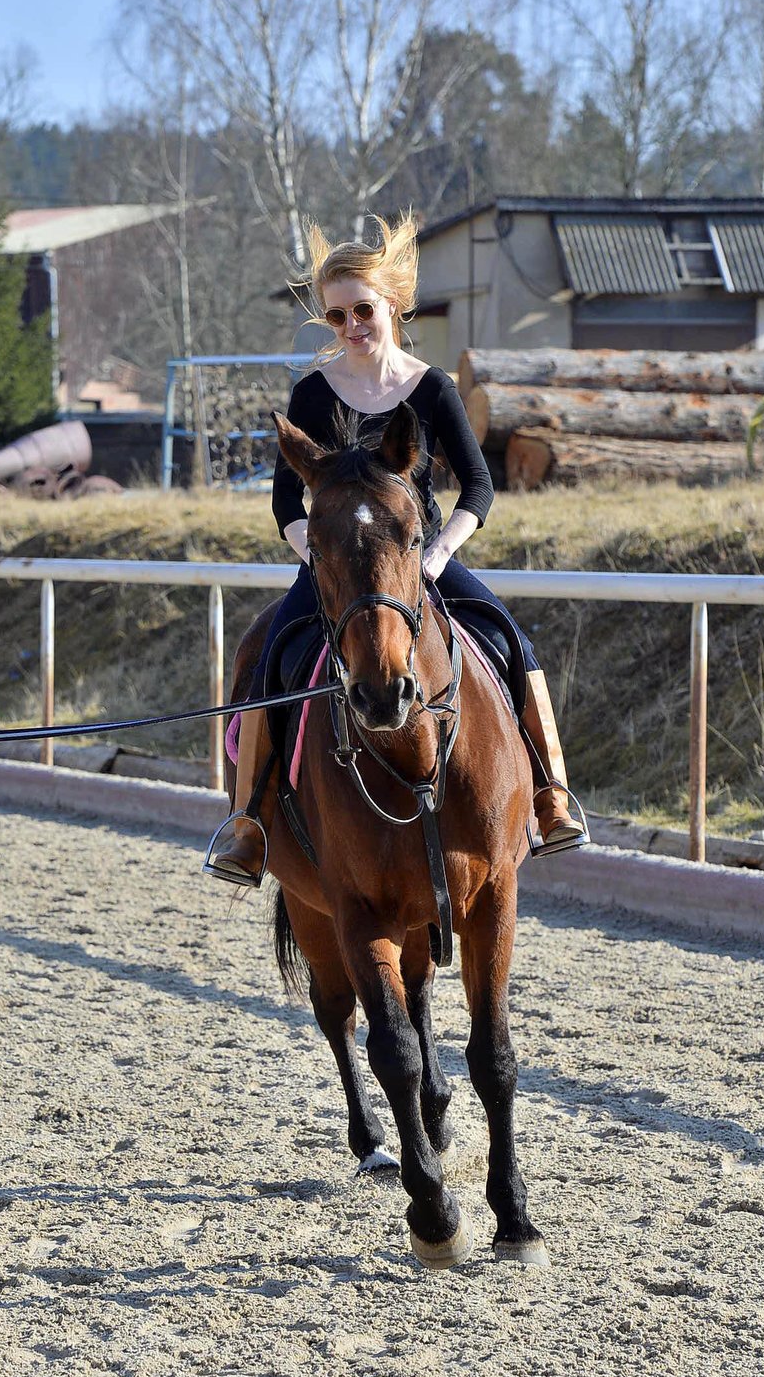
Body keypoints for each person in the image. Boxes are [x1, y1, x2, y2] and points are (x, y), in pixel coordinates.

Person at [204, 212, 587, 886]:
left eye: (362, 309)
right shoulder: (313, 393)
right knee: (268, 657)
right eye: (336, 316)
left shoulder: (433, 387)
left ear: (394, 306)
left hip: (419, 558)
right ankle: (248, 825)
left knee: (511, 640)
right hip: (335, 568)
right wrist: (317, 558)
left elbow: (478, 489)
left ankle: (552, 794)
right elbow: (284, 505)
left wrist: (439, 554)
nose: (351, 325)